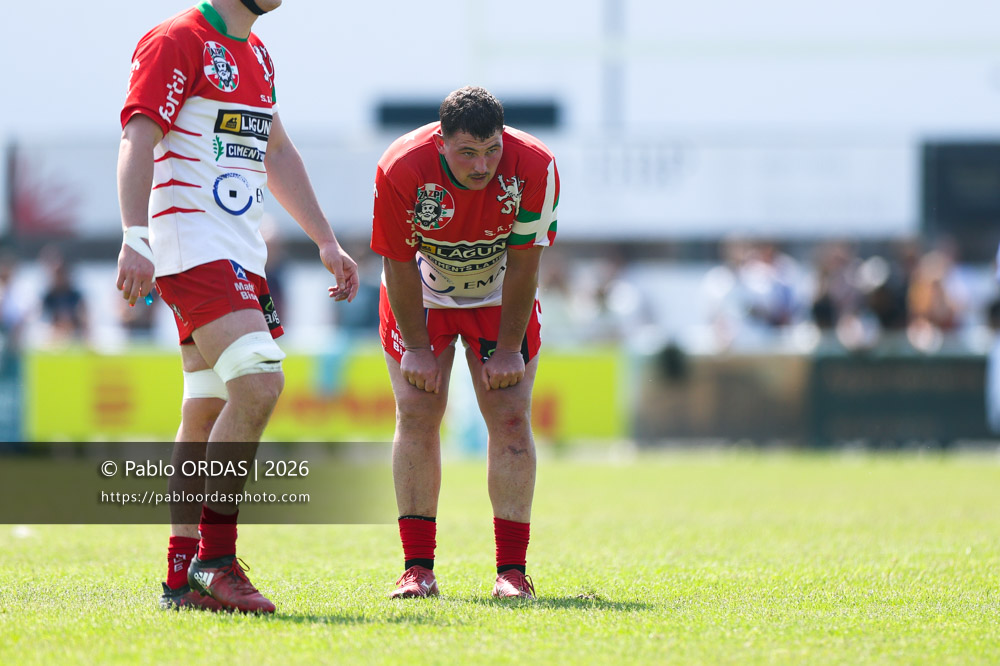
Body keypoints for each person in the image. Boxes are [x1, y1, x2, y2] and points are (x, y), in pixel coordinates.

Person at [116, 0, 359, 614]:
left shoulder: (257, 54)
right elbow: (137, 135)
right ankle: (215, 560)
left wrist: (326, 241)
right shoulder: (176, 39)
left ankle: (180, 574)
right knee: (258, 384)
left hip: (239, 254)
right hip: (193, 248)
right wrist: (134, 235)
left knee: (206, 409)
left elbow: (277, 154)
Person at [370, 86, 559, 600]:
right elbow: (398, 261)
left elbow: (525, 264)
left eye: (492, 149)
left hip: (499, 293)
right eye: (468, 152)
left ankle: (513, 573)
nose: (482, 165)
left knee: (511, 414)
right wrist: (416, 346)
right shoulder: (400, 167)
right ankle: (416, 569)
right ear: (440, 143)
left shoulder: (536, 165)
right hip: (421, 292)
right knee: (416, 411)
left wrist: (508, 347)